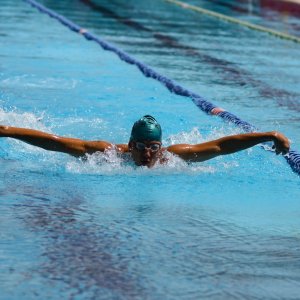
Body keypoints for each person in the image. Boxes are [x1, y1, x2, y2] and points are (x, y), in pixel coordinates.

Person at [0, 115, 290, 168]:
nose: (147, 154)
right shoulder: (110, 154)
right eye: (140, 146)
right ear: (130, 144)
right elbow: (58, 143)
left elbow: (220, 146)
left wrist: (267, 135)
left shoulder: (172, 157)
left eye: (153, 147)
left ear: (161, 147)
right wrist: (9, 130)